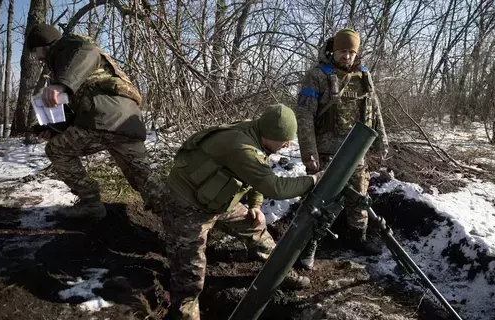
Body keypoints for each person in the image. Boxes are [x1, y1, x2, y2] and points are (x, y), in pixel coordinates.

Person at [162, 104, 323, 319]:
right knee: (189, 279)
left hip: (220, 200)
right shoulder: (241, 146)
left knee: (260, 235)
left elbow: (256, 174)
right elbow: (274, 187)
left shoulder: (256, 135)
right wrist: (313, 179)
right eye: (283, 139)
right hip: (186, 205)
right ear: (269, 133)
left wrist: (255, 207)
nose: (286, 145)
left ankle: (282, 274)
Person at [25, 23, 163, 218]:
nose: (37, 58)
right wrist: (53, 130)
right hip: (126, 122)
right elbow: (82, 110)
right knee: (144, 179)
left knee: (56, 150)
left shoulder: (68, 45)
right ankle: (182, 219)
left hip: (102, 119)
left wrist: (60, 85)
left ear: (43, 44)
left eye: (35, 51)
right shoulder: (70, 63)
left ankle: (91, 203)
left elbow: (88, 51)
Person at [294, 28, 389, 270]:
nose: (346, 56)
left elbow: (374, 109)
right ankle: (307, 246)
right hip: (326, 153)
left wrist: (381, 141)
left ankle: (357, 237)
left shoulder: (364, 75)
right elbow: (304, 117)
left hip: (356, 150)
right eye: (342, 51)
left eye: (351, 52)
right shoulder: (317, 75)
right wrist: (309, 153)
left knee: (359, 196)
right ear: (333, 50)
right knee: (319, 203)